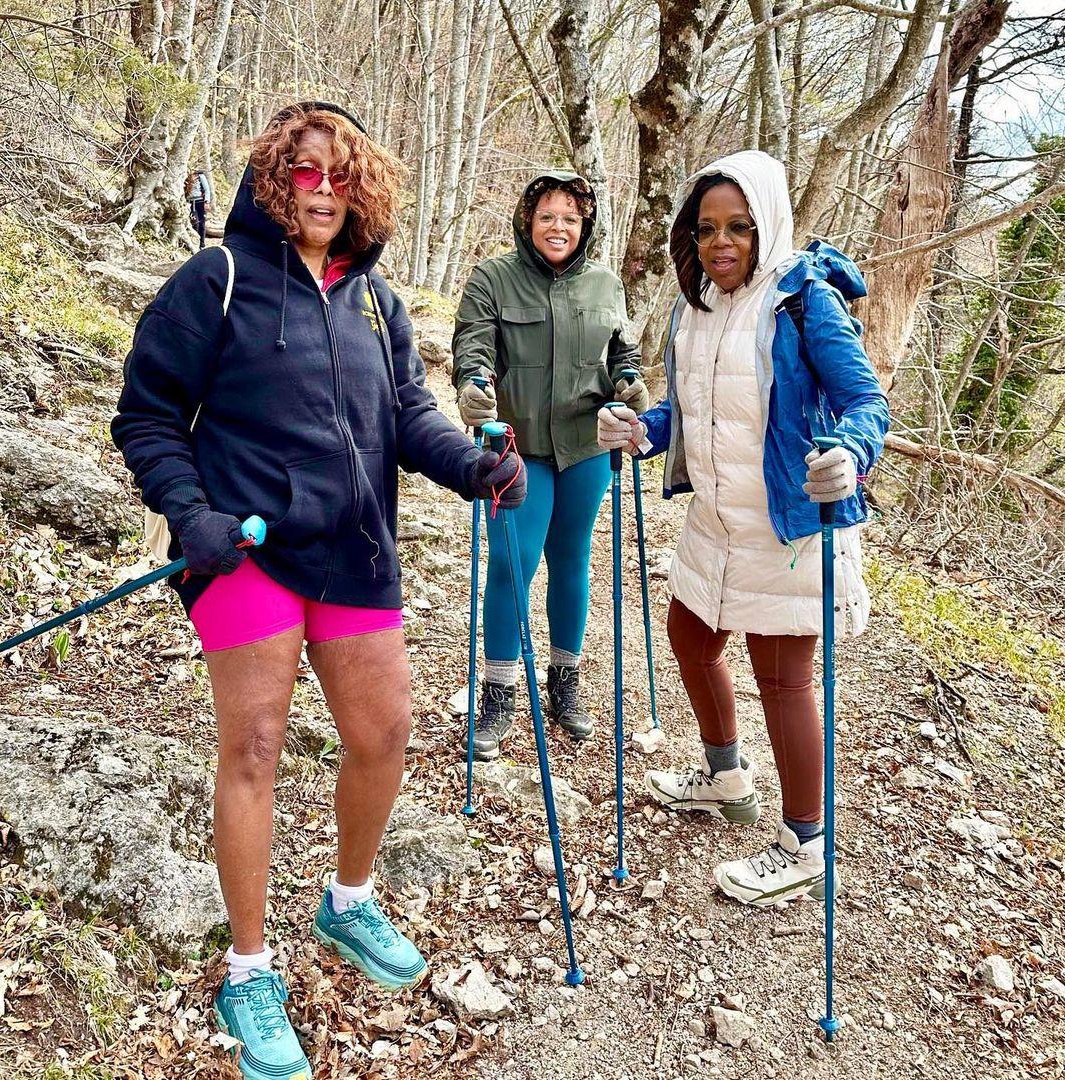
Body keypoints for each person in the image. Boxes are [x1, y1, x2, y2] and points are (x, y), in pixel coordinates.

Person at [113, 102, 525, 1080]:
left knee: (385, 728)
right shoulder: (213, 283)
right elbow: (147, 415)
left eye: (341, 173)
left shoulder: (377, 305)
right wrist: (189, 511)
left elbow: (408, 420)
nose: (325, 188)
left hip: (356, 549)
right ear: (273, 179)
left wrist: (472, 467)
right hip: (241, 551)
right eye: (305, 171)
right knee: (253, 744)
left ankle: (348, 901)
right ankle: (248, 969)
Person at [597, 150, 889, 907]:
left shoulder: (803, 301)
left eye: (739, 227)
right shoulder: (695, 308)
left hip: (789, 527)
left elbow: (866, 403)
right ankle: (726, 777)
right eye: (706, 229)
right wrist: (643, 430)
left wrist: (850, 455)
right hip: (715, 520)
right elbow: (692, 411)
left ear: (768, 226)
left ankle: (805, 843)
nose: (721, 243)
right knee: (690, 640)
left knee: (783, 679)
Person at [452, 171, 646, 761]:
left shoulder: (606, 285)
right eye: (546, 216)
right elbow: (473, 344)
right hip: (519, 445)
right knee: (513, 563)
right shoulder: (494, 278)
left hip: (586, 446)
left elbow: (622, 351)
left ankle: (565, 681)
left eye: (570, 217)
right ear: (527, 220)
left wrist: (630, 382)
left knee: (572, 561)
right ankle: (499, 691)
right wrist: (473, 383)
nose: (557, 227)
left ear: (584, 224)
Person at [187, 168, 214, 249]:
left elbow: (206, 189)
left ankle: (202, 244)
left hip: (200, 201)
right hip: (190, 202)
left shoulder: (200, 176)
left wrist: (207, 202)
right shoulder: (185, 175)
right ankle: (195, 243)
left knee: (201, 223)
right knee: (195, 223)